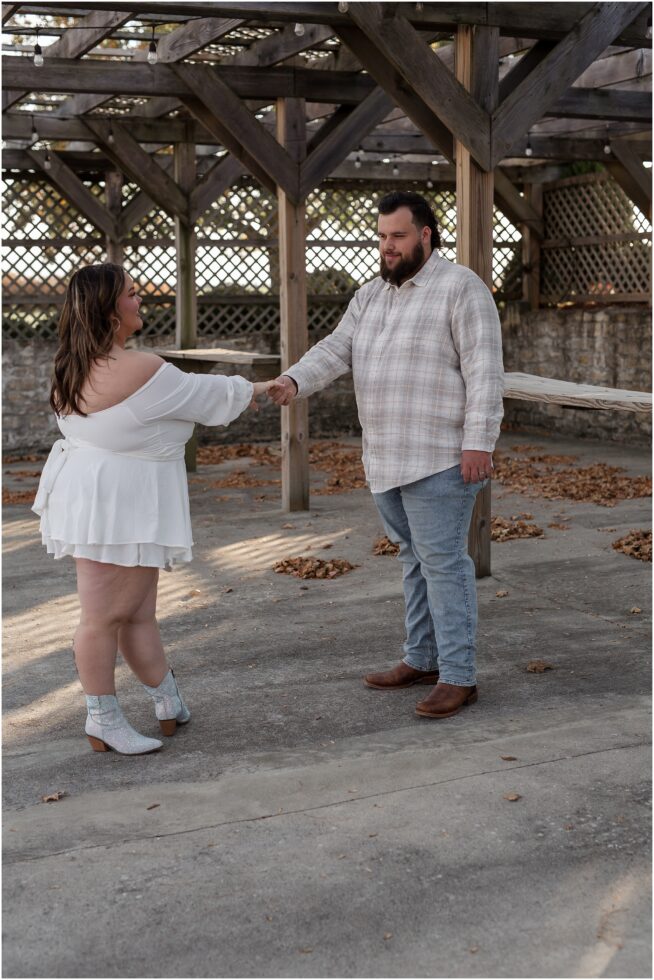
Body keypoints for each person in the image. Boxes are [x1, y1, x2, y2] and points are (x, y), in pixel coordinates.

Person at [268, 191, 504, 718]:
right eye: (381, 237)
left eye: (397, 236)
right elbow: (335, 349)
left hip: (441, 456)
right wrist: (293, 381)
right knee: (412, 560)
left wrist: (478, 443)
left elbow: (485, 371)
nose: (387, 247)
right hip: (384, 456)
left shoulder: (461, 289)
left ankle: (459, 676)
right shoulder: (370, 295)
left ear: (425, 234)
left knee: (443, 563)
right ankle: (421, 658)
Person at [33, 263, 272, 754]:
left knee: (138, 614)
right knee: (102, 618)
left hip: (103, 497)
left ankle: (168, 702)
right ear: (109, 309)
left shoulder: (68, 368)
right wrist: (271, 388)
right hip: (121, 504)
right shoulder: (141, 368)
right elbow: (209, 397)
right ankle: (102, 718)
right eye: (133, 294)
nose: (141, 301)